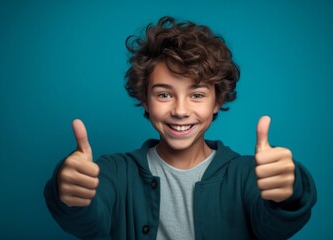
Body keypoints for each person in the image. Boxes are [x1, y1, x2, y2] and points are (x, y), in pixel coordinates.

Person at [44, 16, 317, 240]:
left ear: (217, 102)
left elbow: (276, 228)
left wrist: (290, 194)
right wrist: (69, 193)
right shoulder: (114, 173)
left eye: (197, 94)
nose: (180, 110)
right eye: (164, 94)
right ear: (145, 100)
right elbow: (87, 223)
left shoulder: (247, 175)